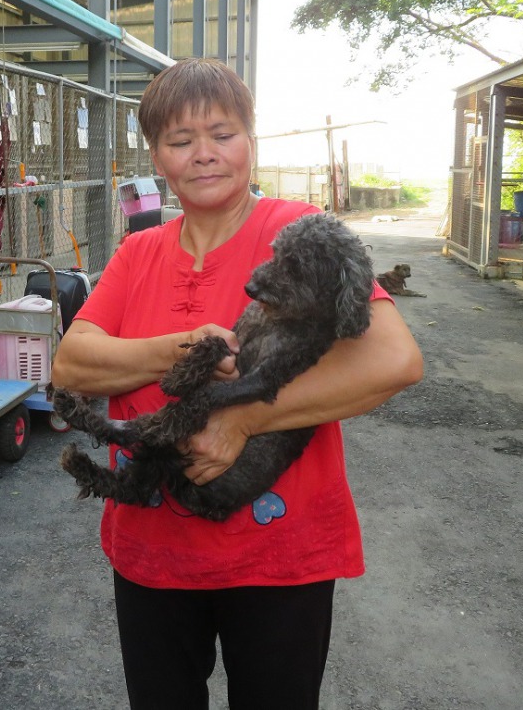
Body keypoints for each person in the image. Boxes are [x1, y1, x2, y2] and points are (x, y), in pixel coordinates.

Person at [50, 57, 423, 710]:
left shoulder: (297, 230)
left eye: (222, 134)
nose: (204, 154)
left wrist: (243, 419)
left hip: (280, 555)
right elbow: (72, 365)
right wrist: (183, 348)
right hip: (153, 552)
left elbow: (393, 360)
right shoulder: (138, 252)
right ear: (156, 157)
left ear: (251, 140)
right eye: (180, 140)